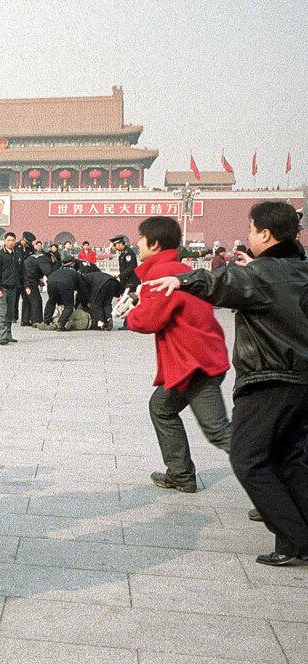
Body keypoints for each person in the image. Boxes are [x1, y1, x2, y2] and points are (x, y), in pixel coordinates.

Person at [145, 202, 308, 566]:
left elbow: (223, 282)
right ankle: (296, 534)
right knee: (291, 455)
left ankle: (295, 537)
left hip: (270, 377)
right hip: (300, 378)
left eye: (251, 230)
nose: (249, 236)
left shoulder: (263, 273)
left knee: (248, 458)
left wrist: (182, 279)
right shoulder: (298, 269)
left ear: (265, 234)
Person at [120, 215, 231, 495]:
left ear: (154, 244)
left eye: (141, 239)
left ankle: (281, 480)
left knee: (219, 432)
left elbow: (149, 321)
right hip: (198, 358)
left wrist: (130, 315)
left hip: (196, 364)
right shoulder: (179, 269)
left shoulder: (161, 273)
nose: (138, 244)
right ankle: (180, 475)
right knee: (162, 408)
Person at [0, 231, 22, 345]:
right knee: (2, 313)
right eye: (8, 240)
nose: (11, 242)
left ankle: (8, 335)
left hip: (13, 288)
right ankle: (2, 337)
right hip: (2, 288)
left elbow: (20, 272)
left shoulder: (17, 255)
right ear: (4, 241)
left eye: (13, 240)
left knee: (10, 314)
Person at [41, 255, 82, 331]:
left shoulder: (58, 270)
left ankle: (46, 322)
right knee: (69, 305)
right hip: (65, 284)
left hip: (51, 282)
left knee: (51, 301)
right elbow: (80, 286)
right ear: (72, 263)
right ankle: (61, 324)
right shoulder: (74, 272)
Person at [77, 264, 121, 330]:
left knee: (96, 305)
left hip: (101, 283)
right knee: (107, 304)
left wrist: (88, 301)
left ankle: (100, 323)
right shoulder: (89, 276)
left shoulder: (81, 280)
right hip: (112, 281)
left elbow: (84, 292)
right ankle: (109, 319)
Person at [22, 239, 45, 326]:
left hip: (28, 281)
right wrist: (27, 286)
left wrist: (39, 281)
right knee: (36, 300)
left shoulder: (31, 257)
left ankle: (25, 320)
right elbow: (28, 273)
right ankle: (36, 320)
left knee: (27, 300)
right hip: (29, 282)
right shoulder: (36, 258)